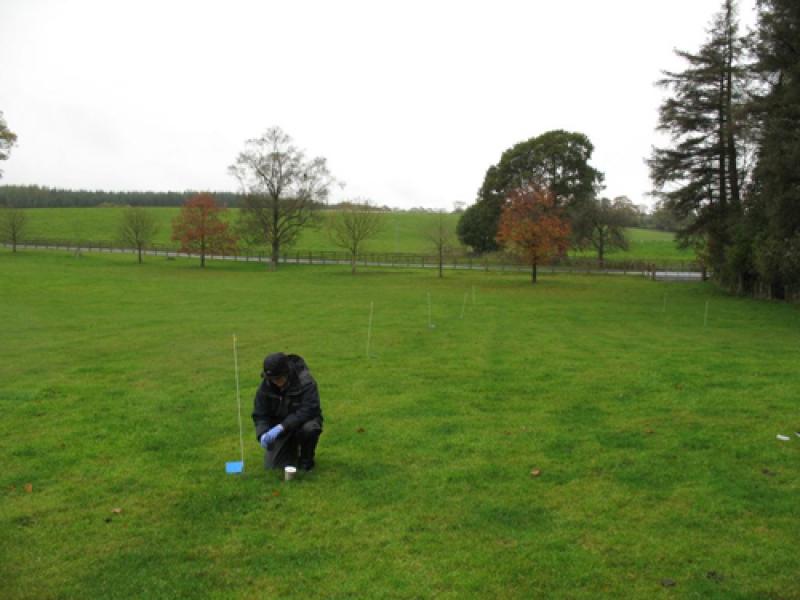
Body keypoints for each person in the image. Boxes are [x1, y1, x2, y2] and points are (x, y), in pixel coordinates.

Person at [252, 352, 323, 472]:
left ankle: (306, 459)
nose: (276, 382)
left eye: (278, 378)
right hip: (281, 428)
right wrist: (262, 433)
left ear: (287, 372)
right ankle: (290, 448)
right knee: (273, 466)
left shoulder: (306, 382)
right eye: (272, 379)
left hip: (301, 424)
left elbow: (310, 409)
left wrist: (282, 426)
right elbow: (260, 414)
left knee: (310, 428)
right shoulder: (265, 386)